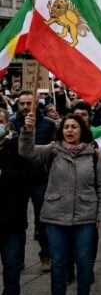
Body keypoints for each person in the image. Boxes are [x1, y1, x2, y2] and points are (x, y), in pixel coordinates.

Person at [19, 113, 101, 295]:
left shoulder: (93, 153)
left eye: (74, 127)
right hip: (55, 216)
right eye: (66, 127)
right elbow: (27, 152)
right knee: (58, 261)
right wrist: (27, 131)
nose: (70, 130)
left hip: (85, 216)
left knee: (84, 261)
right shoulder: (52, 150)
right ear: (61, 131)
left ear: (82, 131)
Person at [10, 90, 56, 272]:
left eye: (29, 103)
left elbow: (53, 151)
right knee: (18, 221)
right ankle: (18, 258)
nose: (25, 107)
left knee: (42, 220)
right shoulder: (11, 123)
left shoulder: (49, 124)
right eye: (22, 103)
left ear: (36, 105)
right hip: (17, 179)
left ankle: (45, 256)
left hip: (40, 179)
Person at [0, 108, 29, 295]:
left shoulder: (18, 147)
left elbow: (27, 176)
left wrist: (3, 174)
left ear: (7, 125)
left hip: (12, 218)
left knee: (11, 264)